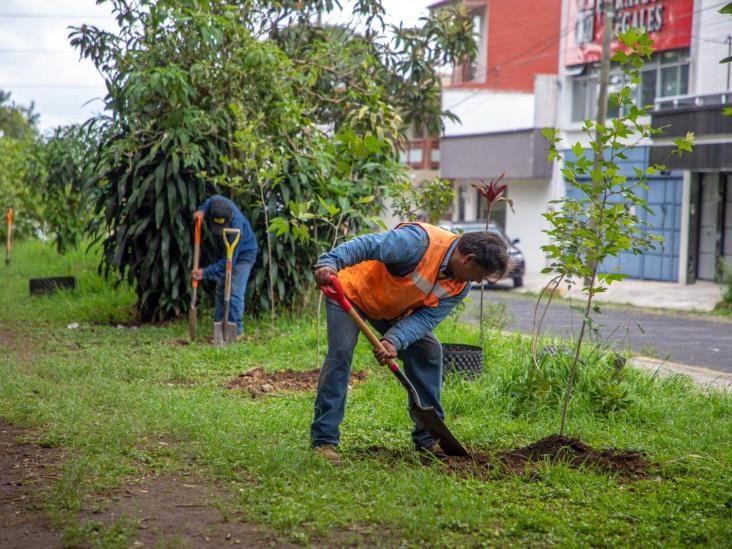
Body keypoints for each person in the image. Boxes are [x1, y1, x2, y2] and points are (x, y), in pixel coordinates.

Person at [311, 222, 509, 465]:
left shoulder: (460, 286)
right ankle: (324, 440)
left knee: (428, 351)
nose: (477, 282)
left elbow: (425, 318)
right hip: (353, 292)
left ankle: (428, 439)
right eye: (480, 276)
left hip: (392, 307)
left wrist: (393, 340)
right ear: (468, 259)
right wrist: (330, 262)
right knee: (340, 355)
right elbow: (368, 244)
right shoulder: (419, 242)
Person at [192, 195, 258, 336]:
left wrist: (204, 273)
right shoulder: (217, 203)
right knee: (221, 289)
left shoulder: (236, 229)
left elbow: (229, 262)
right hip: (227, 252)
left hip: (244, 255)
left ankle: (236, 331)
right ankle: (220, 327)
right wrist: (202, 211)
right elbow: (208, 201)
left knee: (234, 292)